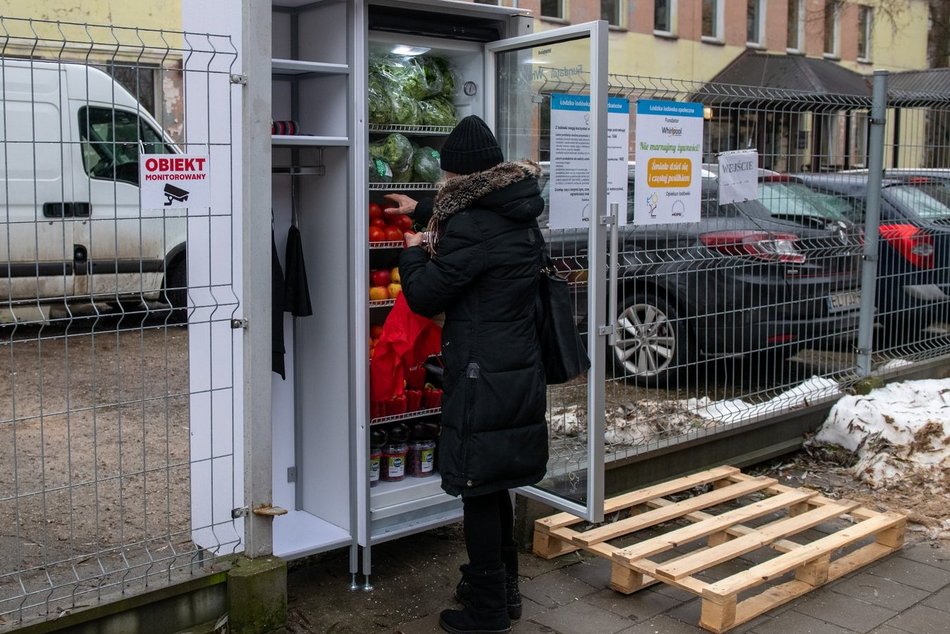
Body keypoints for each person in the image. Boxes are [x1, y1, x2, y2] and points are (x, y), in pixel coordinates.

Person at [394, 115, 548, 634]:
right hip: (517, 366)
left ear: (458, 177)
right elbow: (479, 219)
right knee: (497, 484)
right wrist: (424, 209)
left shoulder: (474, 227)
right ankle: (503, 593)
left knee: (479, 488)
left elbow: (424, 295)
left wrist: (411, 255)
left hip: (483, 372)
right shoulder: (518, 209)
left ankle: (485, 611)